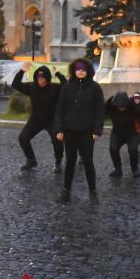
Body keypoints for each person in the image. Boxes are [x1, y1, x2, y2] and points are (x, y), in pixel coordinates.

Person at [53, 58, 105, 202]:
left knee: (88, 161)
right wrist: (59, 129)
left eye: (83, 69)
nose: (80, 71)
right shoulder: (67, 87)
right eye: (78, 69)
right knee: (70, 161)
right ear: (73, 70)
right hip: (69, 131)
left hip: (87, 132)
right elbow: (60, 110)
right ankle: (66, 191)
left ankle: (93, 192)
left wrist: (97, 130)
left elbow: (100, 111)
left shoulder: (95, 88)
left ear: (88, 70)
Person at [11, 62, 67, 172]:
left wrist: (58, 74)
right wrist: (22, 71)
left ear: (47, 78)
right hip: (36, 120)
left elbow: (67, 86)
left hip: (52, 120)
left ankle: (58, 161)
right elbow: (15, 84)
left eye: (42, 77)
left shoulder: (54, 88)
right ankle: (31, 160)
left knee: (57, 140)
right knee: (23, 138)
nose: (40, 79)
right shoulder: (32, 87)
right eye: (38, 76)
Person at [105, 91, 140, 178]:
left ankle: (134, 169)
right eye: (119, 106)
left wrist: (133, 105)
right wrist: (108, 102)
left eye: (123, 106)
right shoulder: (112, 107)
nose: (121, 108)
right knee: (113, 148)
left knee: (133, 150)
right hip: (117, 133)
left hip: (132, 133)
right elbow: (103, 111)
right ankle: (118, 170)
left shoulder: (132, 107)